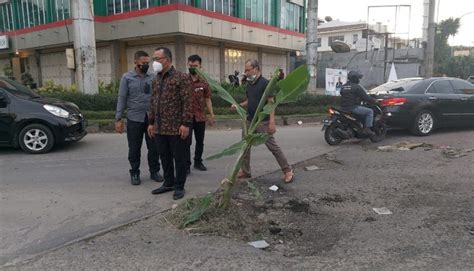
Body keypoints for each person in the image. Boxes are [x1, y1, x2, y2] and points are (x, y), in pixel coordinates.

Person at [231, 59, 294, 183]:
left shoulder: (266, 83)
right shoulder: (250, 84)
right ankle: (246, 171)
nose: (246, 73)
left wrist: (271, 122)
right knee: (245, 146)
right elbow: (250, 100)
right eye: (245, 70)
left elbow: (271, 103)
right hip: (250, 120)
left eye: (248, 70)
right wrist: (238, 105)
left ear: (256, 69)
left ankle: (288, 171)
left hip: (262, 121)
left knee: (273, 147)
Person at [147, 47, 193, 200]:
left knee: (178, 158)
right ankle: (168, 183)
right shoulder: (156, 79)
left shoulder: (181, 77)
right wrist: (151, 123)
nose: (155, 62)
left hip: (177, 127)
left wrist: (186, 124)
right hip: (160, 127)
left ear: (167, 60)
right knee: (164, 157)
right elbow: (153, 103)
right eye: (154, 59)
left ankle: (179, 186)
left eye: (157, 59)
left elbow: (188, 102)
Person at [115, 51, 163, 186]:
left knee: (154, 147)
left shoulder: (153, 77)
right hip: (134, 119)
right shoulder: (127, 78)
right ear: (135, 62)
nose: (146, 65)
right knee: (134, 148)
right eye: (143, 63)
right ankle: (135, 172)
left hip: (151, 119)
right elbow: (122, 98)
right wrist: (118, 119)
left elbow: (157, 98)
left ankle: (155, 171)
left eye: (148, 63)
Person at [185, 54, 215, 173]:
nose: (193, 67)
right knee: (186, 142)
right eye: (191, 65)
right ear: (188, 64)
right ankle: (186, 165)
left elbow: (207, 98)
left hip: (200, 117)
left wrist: (211, 115)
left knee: (200, 141)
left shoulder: (204, 82)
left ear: (200, 66)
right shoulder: (183, 80)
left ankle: (198, 161)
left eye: (195, 66)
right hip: (186, 117)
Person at [340, 70, 377, 136]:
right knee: (370, 111)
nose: (359, 80)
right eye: (358, 78)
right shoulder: (356, 87)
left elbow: (343, 94)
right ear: (354, 78)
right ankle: (367, 129)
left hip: (343, 108)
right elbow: (365, 97)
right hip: (352, 107)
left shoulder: (343, 86)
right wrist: (374, 100)